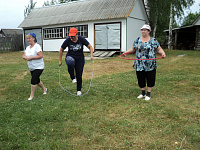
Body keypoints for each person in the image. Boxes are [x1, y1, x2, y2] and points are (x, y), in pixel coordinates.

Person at [123, 24, 166, 100]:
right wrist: (126, 52)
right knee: (140, 78)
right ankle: (142, 93)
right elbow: (133, 49)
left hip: (150, 63)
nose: (143, 31)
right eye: (142, 30)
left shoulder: (153, 40)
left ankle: (148, 94)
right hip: (139, 63)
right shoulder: (137, 40)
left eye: (145, 30)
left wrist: (162, 53)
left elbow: (158, 49)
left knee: (150, 78)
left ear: (149, 31)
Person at [59, 27, 94, 95]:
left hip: (80, 58)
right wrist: (60, 60)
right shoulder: (68, 40)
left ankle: (79, 90)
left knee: (79, 74)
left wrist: (91, 55)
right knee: (70, 62)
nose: (72, 38)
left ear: (76, 34)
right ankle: (72, 77)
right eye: (71, 36)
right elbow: (61, 50)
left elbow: (90, 47)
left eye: (73, 36)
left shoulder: (81, 39)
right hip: (70, 56)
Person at [23, 33, 47, 100]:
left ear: (34, 38)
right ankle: (44, 89)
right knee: (37, 80)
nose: (28, 40)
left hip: (39, 67)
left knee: (33, 80)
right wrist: (25, 57)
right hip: (31, 67)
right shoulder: (27, 48)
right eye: (27, 38)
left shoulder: (37, 46)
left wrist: (31, 58)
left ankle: (31, 96)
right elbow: (24, 55)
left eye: (29, 38)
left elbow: (40, 55)